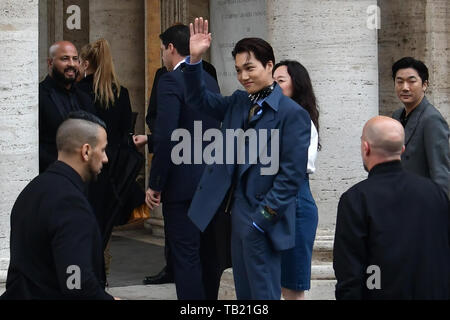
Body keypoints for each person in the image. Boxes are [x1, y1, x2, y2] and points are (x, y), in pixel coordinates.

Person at [184, 18, 311, 300]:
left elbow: (290, 177)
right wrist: (194, 60)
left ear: (269, 66)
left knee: (263, 294)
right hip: (233, 214)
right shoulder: (240, 102)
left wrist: (261, 220)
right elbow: (198, 100)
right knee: (244, 295)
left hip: (262, 219)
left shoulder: (292, 115)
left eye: (250, 68)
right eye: (239, 70)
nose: (243, 76)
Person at [139, 24, 225, 300]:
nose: (162, 56)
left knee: (186, 257)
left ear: (170, 48)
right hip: (211, 183)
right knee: (209, 255)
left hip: (182, 187)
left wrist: (155, 183)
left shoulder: (169, 81)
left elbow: (167, 136)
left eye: (162, 50)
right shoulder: (208, 80)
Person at [1, 111, 117, 300]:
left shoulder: (32, 189)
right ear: (86, 151)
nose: (105, 158)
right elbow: (76, 284)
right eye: (102, 150)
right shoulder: (70, 203)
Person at [333, 116, 450, 300]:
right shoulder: (435, 193)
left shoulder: (355, 199)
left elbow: (350, 275)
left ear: (366, 147)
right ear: (402, 150)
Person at [77, 38, 145, 279]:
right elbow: (127, 133)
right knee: (104, 230)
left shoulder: (79, 91)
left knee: (85, 227)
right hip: (115, 171)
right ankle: (102, 278)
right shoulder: (121, 92)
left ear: (85, 63)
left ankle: (89, 281)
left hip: (87, 170)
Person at [273, 60, 319, 300]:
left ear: (296, 86)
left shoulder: (302, 120)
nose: (274, 85)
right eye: (273, 80)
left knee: (292, 287)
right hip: (274, 204)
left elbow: (296, 169)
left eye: (281, 81)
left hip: (295, 205)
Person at [391, 57, 449, 195]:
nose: (405, 87)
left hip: (420, 202)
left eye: (411, 81)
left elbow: (441, 173)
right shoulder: (397, 115)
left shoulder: (432, 119)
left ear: (424, 85)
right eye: (399, 81)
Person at [39, 41, 96, 173]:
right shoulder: (39, 96)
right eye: (65, 58)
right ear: (50, 63)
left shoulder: (85, 98)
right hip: (51, 176)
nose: (71, 64)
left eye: (75, 59)